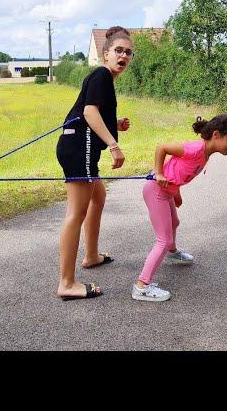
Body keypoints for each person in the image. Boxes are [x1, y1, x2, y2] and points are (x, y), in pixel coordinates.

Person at [132, 114, 227, 302]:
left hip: (166, 192)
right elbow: (162, 147)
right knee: (163, 239)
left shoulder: (205, 153)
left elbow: (177, 169)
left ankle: (173, 253)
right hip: (156, 190)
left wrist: (176, 193)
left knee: (174, 222)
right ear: (216, 135)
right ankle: (141, 286)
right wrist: (159, 173)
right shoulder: (195, 149)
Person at [55, 26, 132, 300]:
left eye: (128, 52)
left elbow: (94, 112)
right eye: (118, 50)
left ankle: (91, 255)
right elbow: (88, 112)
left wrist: (115, 125)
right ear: (105, 53)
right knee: (76, 213)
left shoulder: (103, 79)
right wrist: (114, 145)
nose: (124, 55)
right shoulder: (101, 74)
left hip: (79, 147)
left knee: (98, 198)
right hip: (79, 150)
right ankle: (67, 282)